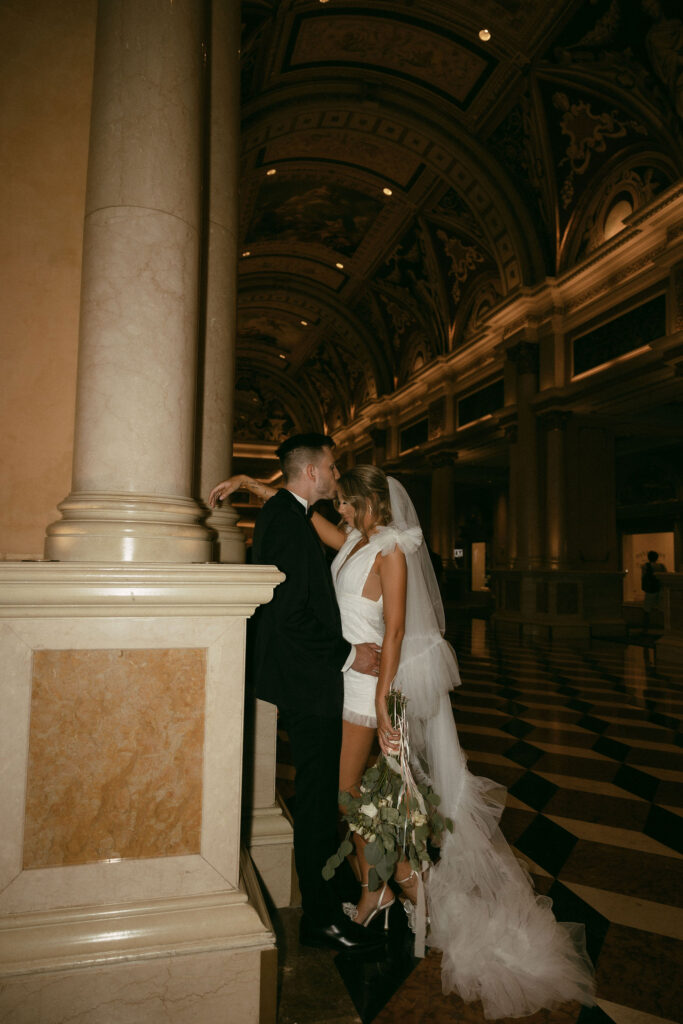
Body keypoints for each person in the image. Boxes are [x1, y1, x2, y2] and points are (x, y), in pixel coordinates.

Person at [219, 464, 596, 1018]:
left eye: (348, 503)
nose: (340, 510)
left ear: (371, 502)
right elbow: (308, 515)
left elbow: (394, 629)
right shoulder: (355, 541)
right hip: (346, 681)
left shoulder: (392, 552)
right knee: (357, 799)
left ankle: (387, 891)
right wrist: (257, 488)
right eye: (340, 503)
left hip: (368, 688)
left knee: (349, 796)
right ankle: (391, 887)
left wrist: (381, 698)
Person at [209, 435, 385, 957]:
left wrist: (247, 483)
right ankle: (321, 919)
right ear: (310, 472)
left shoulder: (290, 510)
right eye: (330, 466)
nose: (336, 474)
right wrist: (351, 655)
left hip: (309, 678)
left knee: (319, 798)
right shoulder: (288, 519)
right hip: (311, 681)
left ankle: (325, 894)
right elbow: (291, 614)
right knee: (313, 804)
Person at [641, 548, 667, 633]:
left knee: (646, 610)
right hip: (660, 589)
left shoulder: (646, 566)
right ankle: (665, 627)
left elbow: (643, 577)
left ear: (649, 557)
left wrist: (644, 587)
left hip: (650, 590)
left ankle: (645, 629)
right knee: (662, 609)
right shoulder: (661, 566)